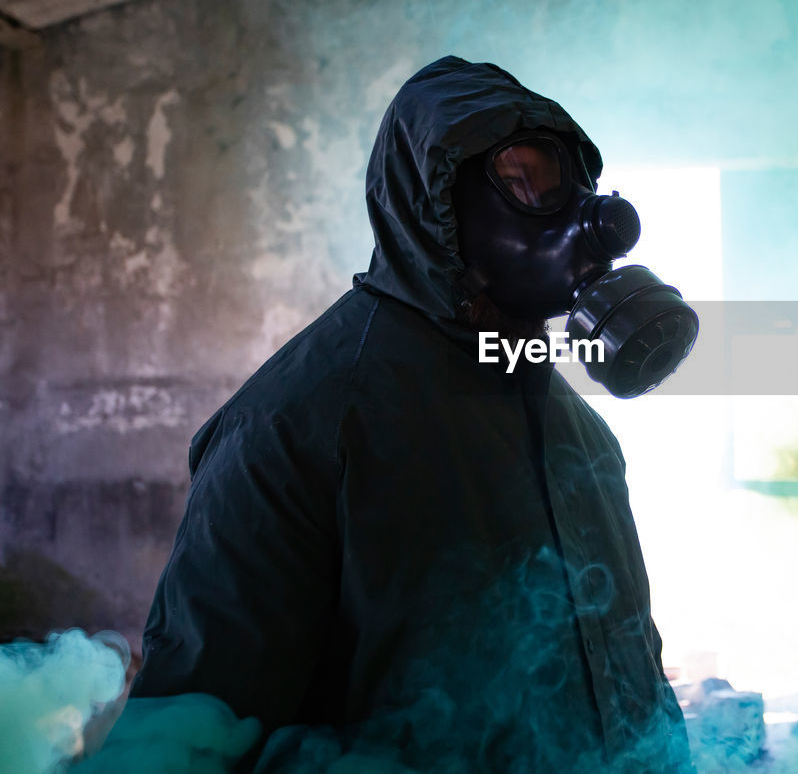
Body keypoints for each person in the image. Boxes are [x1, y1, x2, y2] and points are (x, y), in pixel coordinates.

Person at [124, 56, 696, 772]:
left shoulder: (580, 432)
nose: (596, 220)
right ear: (434, 207)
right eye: (527, 180)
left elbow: (630, 671)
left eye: (579, 184)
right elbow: (188, 735)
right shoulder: (295, 426)